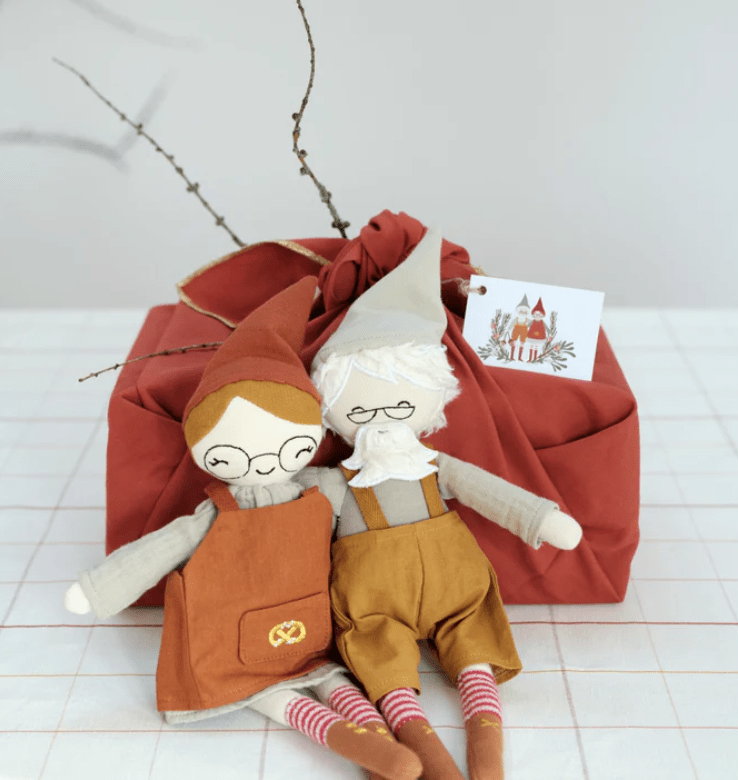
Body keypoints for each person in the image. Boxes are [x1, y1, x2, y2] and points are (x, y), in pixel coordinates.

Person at [64, 277, 421, 780]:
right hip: (232, 640)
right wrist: (99, 590)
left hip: (309, 629)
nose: (264, 459)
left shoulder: (321, 488)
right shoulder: (216, 511)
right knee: (274, 693)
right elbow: (159, 549)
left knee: (331, 679)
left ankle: (383, 740)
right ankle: (359, 744)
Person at [296, 229, 583, 780]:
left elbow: (488, 491)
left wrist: (542, 518)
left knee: (471, 632)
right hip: (377, 604)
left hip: (456, 589)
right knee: (379, 648)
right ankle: (417, 739)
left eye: (403, 400)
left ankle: (486, 737)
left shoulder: (435, 465)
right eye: (361, 406)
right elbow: (295, 500)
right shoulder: (338, 481)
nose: (383, 416)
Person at [525, 297, 548, 362]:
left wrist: (549, 333)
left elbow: (547, 328)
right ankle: (530, 358)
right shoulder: (532, 321)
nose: (537, 316)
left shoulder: (542, 322)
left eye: (539, 314)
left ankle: (535, 358)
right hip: (531, 336)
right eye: (536, 314)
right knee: (531, 346)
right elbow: (527, 326)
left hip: (539, 337)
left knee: (536, 347)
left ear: (542, 315)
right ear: (533, 314)